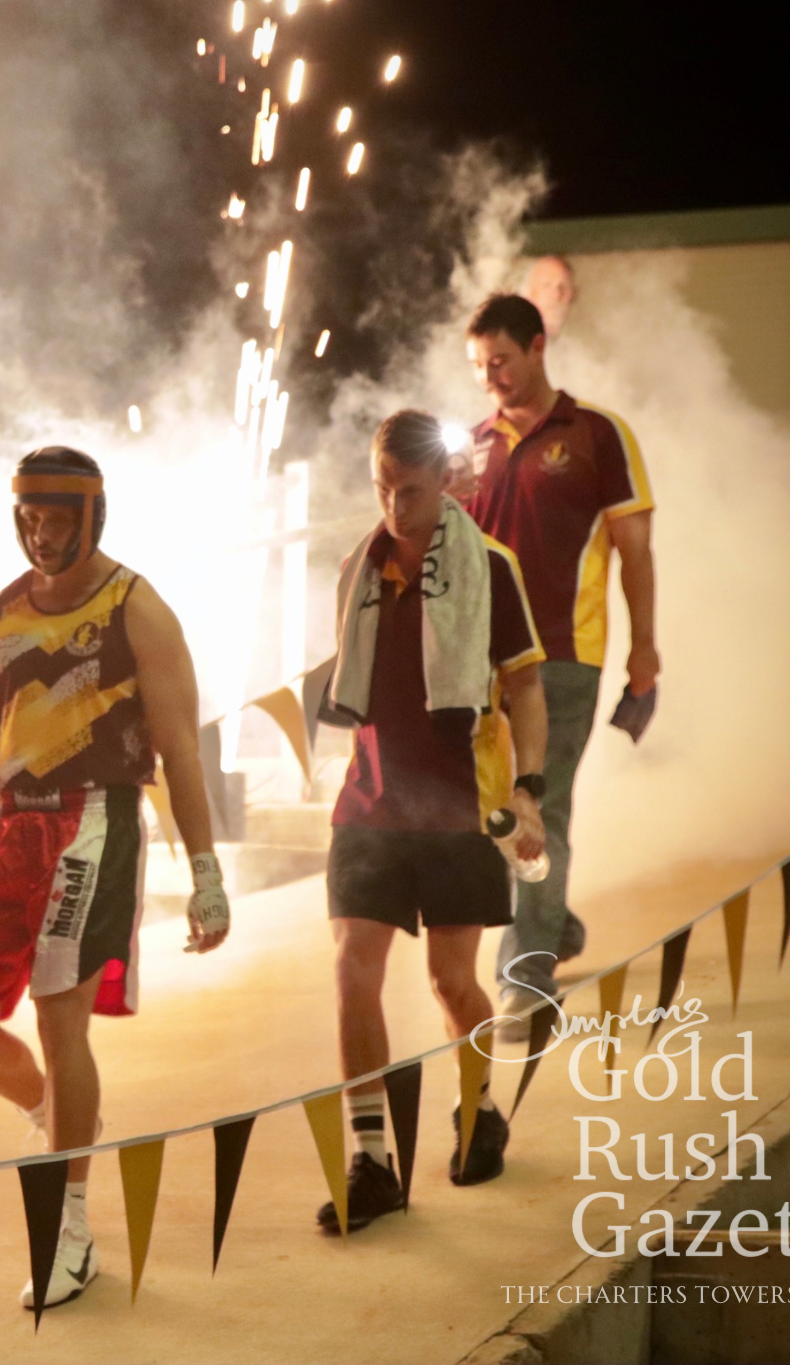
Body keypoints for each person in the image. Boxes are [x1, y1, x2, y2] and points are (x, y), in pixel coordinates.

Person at [0, 446, 231, 1310]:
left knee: (57, 1013)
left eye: (56, 520)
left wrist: (204, 869)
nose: (41, 535)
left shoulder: (137, 608)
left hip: (99, 819)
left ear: (92, 517)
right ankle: (62, 1123)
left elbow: (180, 749)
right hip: (7, 826)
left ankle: (68, 1224)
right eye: (29, 520)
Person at [316, 410, 548, 1235]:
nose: (393, 506)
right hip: (372, 802)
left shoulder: (491, 567)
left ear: (445, 481)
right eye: (381, 488)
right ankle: (372, 1160)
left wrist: (526, 792)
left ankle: (479, 1108)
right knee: (352, 972)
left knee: (452, 983)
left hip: (459, 805)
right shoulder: (361, 568)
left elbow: (523, 687)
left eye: (408, 490)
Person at [460, 293, 658, 1035]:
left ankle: (527, 971)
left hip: (566, 654)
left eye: (501, 362)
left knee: (543, 806)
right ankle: (555, 921)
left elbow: (635, 550)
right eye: (479, 367)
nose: (491, 379)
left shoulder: (599, 436)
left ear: (539, 346)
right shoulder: (471, 446)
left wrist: (644, 645)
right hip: (483, 666)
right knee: (493, 813)